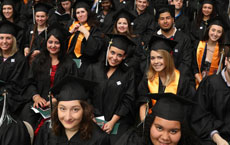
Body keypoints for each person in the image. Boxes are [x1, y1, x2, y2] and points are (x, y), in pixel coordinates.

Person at [20, 22, 78, 130]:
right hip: (38, 103)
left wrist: (57, 99)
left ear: (62, 44)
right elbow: (29, 82)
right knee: (26, 119)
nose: (53, 46)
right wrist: (36, 96)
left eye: (57, 43)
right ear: (46, 43)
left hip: (61, 104)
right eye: (50, 42)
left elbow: (72, 87)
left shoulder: (69, 64)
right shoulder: (38, 61)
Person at [84, 34, 136, 145]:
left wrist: (112, 122)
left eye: (119, 55)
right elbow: (86, 94)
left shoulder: (128, 73)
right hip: (93, 118)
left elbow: (128, 99)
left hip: (117, 121)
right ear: (108, 50)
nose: (114, 58)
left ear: (124, 57)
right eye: (112, 53)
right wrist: (91, 115)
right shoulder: (93, 69)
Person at [34, 76, 111, 145]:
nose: (68, 117)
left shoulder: (99, 139)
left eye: (75, 109)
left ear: (85, 110)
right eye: (62, 109)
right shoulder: (47, 130)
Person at [138, 35, 193, 122]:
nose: (156, 62)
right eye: (152, 58)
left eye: (160, 57)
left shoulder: (182, 80)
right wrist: (145, 124)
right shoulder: (148, 78)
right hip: (152, 121)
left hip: (174, 122)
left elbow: (187, 108)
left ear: (168, 58)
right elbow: (143, 103)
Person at [190, 48, 230, 145]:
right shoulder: (210, 83)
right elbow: (199, 114)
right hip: (211, 137)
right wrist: (216, 137)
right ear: (226, 61)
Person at [154, 4, 193, 83]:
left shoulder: (184, 39)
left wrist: (173, 78)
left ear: (173, 20)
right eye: (162, 19)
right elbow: (147, 61)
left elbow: (186, 63)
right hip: (156, 79)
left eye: (168, 18)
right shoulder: (153, 38)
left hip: (178, 80)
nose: (165, 21)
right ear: (158, 21)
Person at [0, 21, 29, 118]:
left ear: (13, 40)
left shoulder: (20, 60)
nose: (4, 41)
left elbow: (18, 85)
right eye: (1, 38)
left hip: (11, 98)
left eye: (8, 38)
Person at [67, 0, 104, 77]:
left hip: (86, 67)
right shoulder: (72, 27)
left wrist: (86, 32)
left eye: (82, 12)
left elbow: (95, 48)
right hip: (70, 64)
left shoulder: (95, 28)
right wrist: (70, 33)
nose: (80, 15)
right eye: (78, 13)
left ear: (88, 12)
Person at [192, 16, 226, 87]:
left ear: (222, 34)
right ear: (208, 30)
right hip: (196, 82)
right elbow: (193, 67)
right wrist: (201, 83)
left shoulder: (223, 51)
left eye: (219, 32)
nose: (215, 34)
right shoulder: (197, 45)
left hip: (214, 86)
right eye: (213, 30)